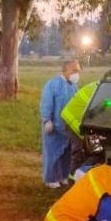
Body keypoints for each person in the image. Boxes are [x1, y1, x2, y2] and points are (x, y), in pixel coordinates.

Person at [40, 60, 81, 188]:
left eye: (78, 71)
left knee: (67, 154)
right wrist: (47, 120)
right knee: (53, 153)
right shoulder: (53, 84)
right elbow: (46, 102)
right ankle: (50, 178)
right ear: (65, 70)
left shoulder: (74, 86)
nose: (77, 74)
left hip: (68, 127)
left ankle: (63, 176)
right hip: (54, 126)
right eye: (74, 70)